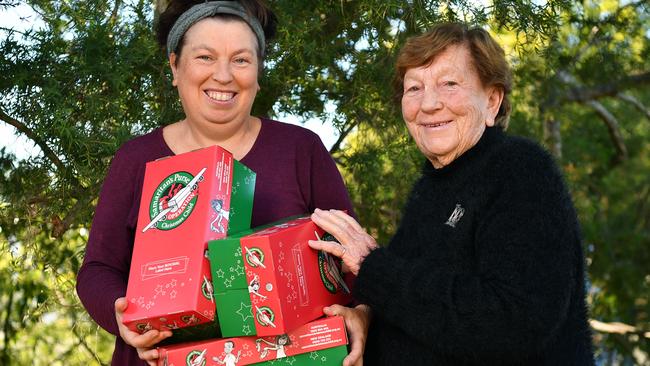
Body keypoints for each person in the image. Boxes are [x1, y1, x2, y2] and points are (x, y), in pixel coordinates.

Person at [75, 1, 355, 365]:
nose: (223, 75)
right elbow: (98, 271)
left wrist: (358, 313)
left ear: (258, 71)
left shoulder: (301, 150)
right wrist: (122, 315)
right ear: (175, 66)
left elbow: (351, 259)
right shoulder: (136, 160)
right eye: (205, 57)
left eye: (240, 60)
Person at [309, 22, 595, 365]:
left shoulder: (520, 172)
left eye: (449, 84)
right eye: (414, 88)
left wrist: (374, 267)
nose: (428, 103)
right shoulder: (431, 188)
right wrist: (366, 319)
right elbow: (418, 308)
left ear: (492, 101)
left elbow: (513, 322)